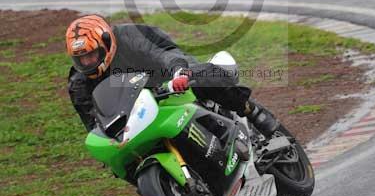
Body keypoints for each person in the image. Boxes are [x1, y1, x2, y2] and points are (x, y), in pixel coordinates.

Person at [66, 14, 278, 138]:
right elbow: (93, 123)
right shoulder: (79, 83)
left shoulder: (131, 37)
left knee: (200, 80)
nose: (87, 63)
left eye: (92, 55)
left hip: (167, 76)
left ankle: (250, 110)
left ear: (105, 43)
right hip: (139, 106)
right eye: (81, 59)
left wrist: (178, 72)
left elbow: (162, 54)